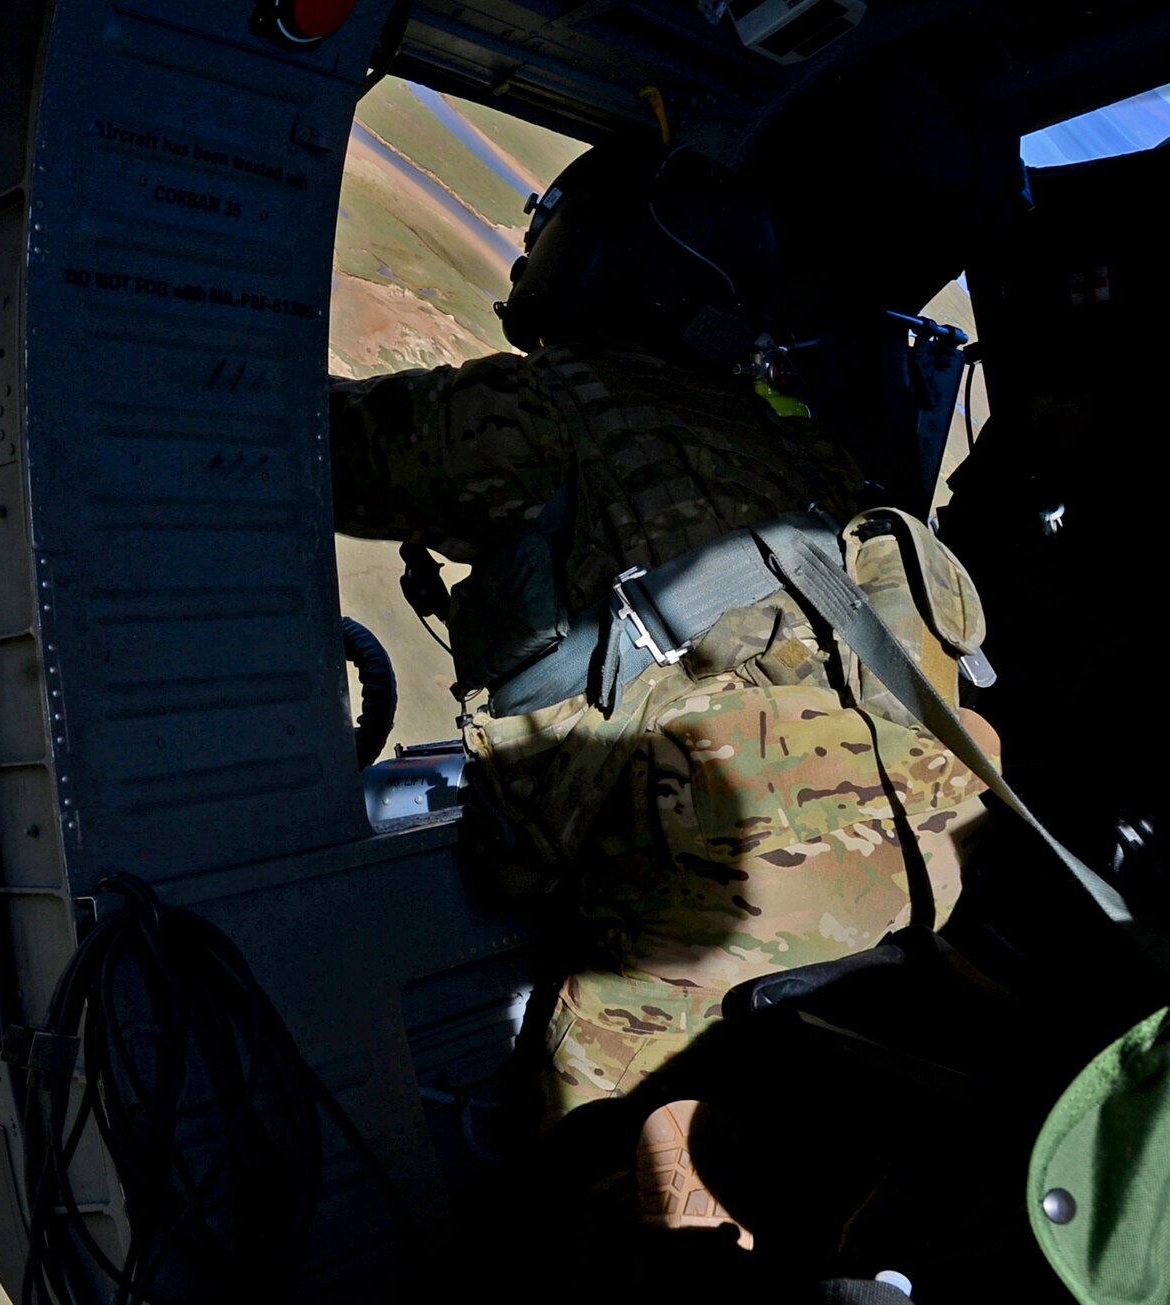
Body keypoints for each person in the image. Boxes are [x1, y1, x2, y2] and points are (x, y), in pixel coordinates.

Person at [329, 142, 998, 1131]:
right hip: (911, 881)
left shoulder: (540, 407)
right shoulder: (797, 441)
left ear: (598, 253)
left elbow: (315, 449)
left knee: (596, 1166)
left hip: (710, 918)